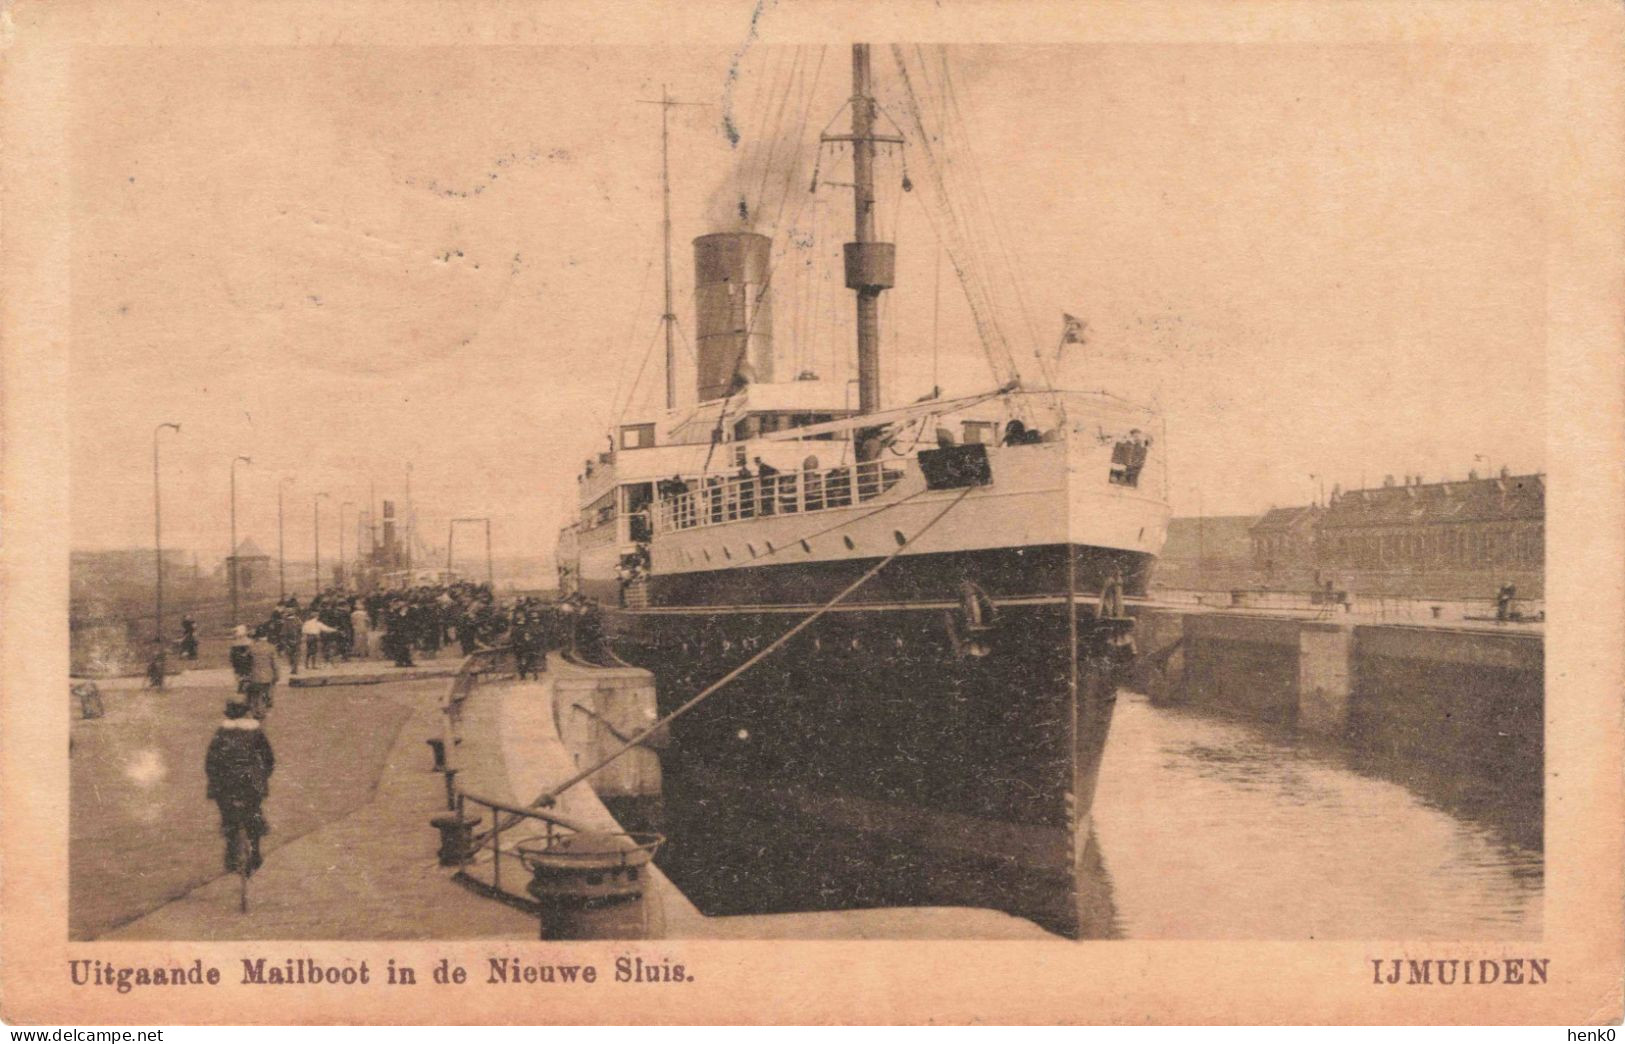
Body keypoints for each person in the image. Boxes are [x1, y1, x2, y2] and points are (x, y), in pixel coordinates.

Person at [204, 698, 275, 876]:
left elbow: (210, 761)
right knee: (254, 811)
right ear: (246, 712)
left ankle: (230, 848)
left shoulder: (221, 731)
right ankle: (256, 850)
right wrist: (264, 776)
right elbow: (269, 759)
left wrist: (214, 780)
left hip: (226, 783)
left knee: (228, 815)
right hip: (250, 782)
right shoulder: (256, 730)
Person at [244, 627, 280, 719]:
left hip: (255, 674)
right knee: (266, 694)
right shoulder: (271, 647)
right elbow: (275, 664)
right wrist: (277, 674)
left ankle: (257, 711)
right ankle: (263, 710)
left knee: (256, 694)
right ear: (266, 636)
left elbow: (246, 661)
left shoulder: (252, 648)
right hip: (268, 675)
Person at [228, 625, 253, 690]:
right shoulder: (249, 642)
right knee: (245, 678)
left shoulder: (235, 644)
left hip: (240, 665)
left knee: (242, 678)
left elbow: (232, 657)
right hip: (243, 665)